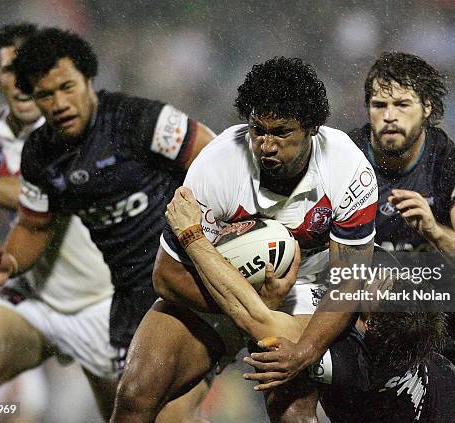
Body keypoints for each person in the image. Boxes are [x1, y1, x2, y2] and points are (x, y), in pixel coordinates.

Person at [247, 51, 455, 423]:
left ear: (427, 107)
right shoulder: (342, 160)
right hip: (379, 328)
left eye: (402, 104)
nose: (389, 115)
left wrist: (435, 231)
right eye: (379, 104)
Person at [111, 57, 378, 423]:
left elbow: (350, 281)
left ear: (313, 128)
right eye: (258, 130)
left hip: (306, 289)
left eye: (282, 132)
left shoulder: (348, 168)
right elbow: (167, 276)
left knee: (294, 414)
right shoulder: (217, 167)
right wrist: (248, 303)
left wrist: (306, 350)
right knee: (135, 394)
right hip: (218, 286)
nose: (266, 145)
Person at [0, 27, 215, 423]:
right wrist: (10, 262)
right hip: (132, 298)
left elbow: (215, 159)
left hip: (193, 279)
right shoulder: (41, 156)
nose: (60, 103)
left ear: (88, 79)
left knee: (168, 414)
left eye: (67, 87)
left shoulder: (141, 119)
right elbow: (34, 226)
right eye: (45, 94)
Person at [163, 186, 455, 423]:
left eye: (379, 288)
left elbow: (254, 319)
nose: (377, 276)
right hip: (451, 389)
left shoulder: (353, 362)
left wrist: (193, 237)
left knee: (282, 377)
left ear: (370, 323)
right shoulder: (388, 280)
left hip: (434, 414)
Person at [0, 23, 116, 422]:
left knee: (134, 417)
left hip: (99, 304)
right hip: (36, 298)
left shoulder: (69, 129)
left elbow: (37, 193)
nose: (25, 78)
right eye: (13, 69)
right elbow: (7, 175)